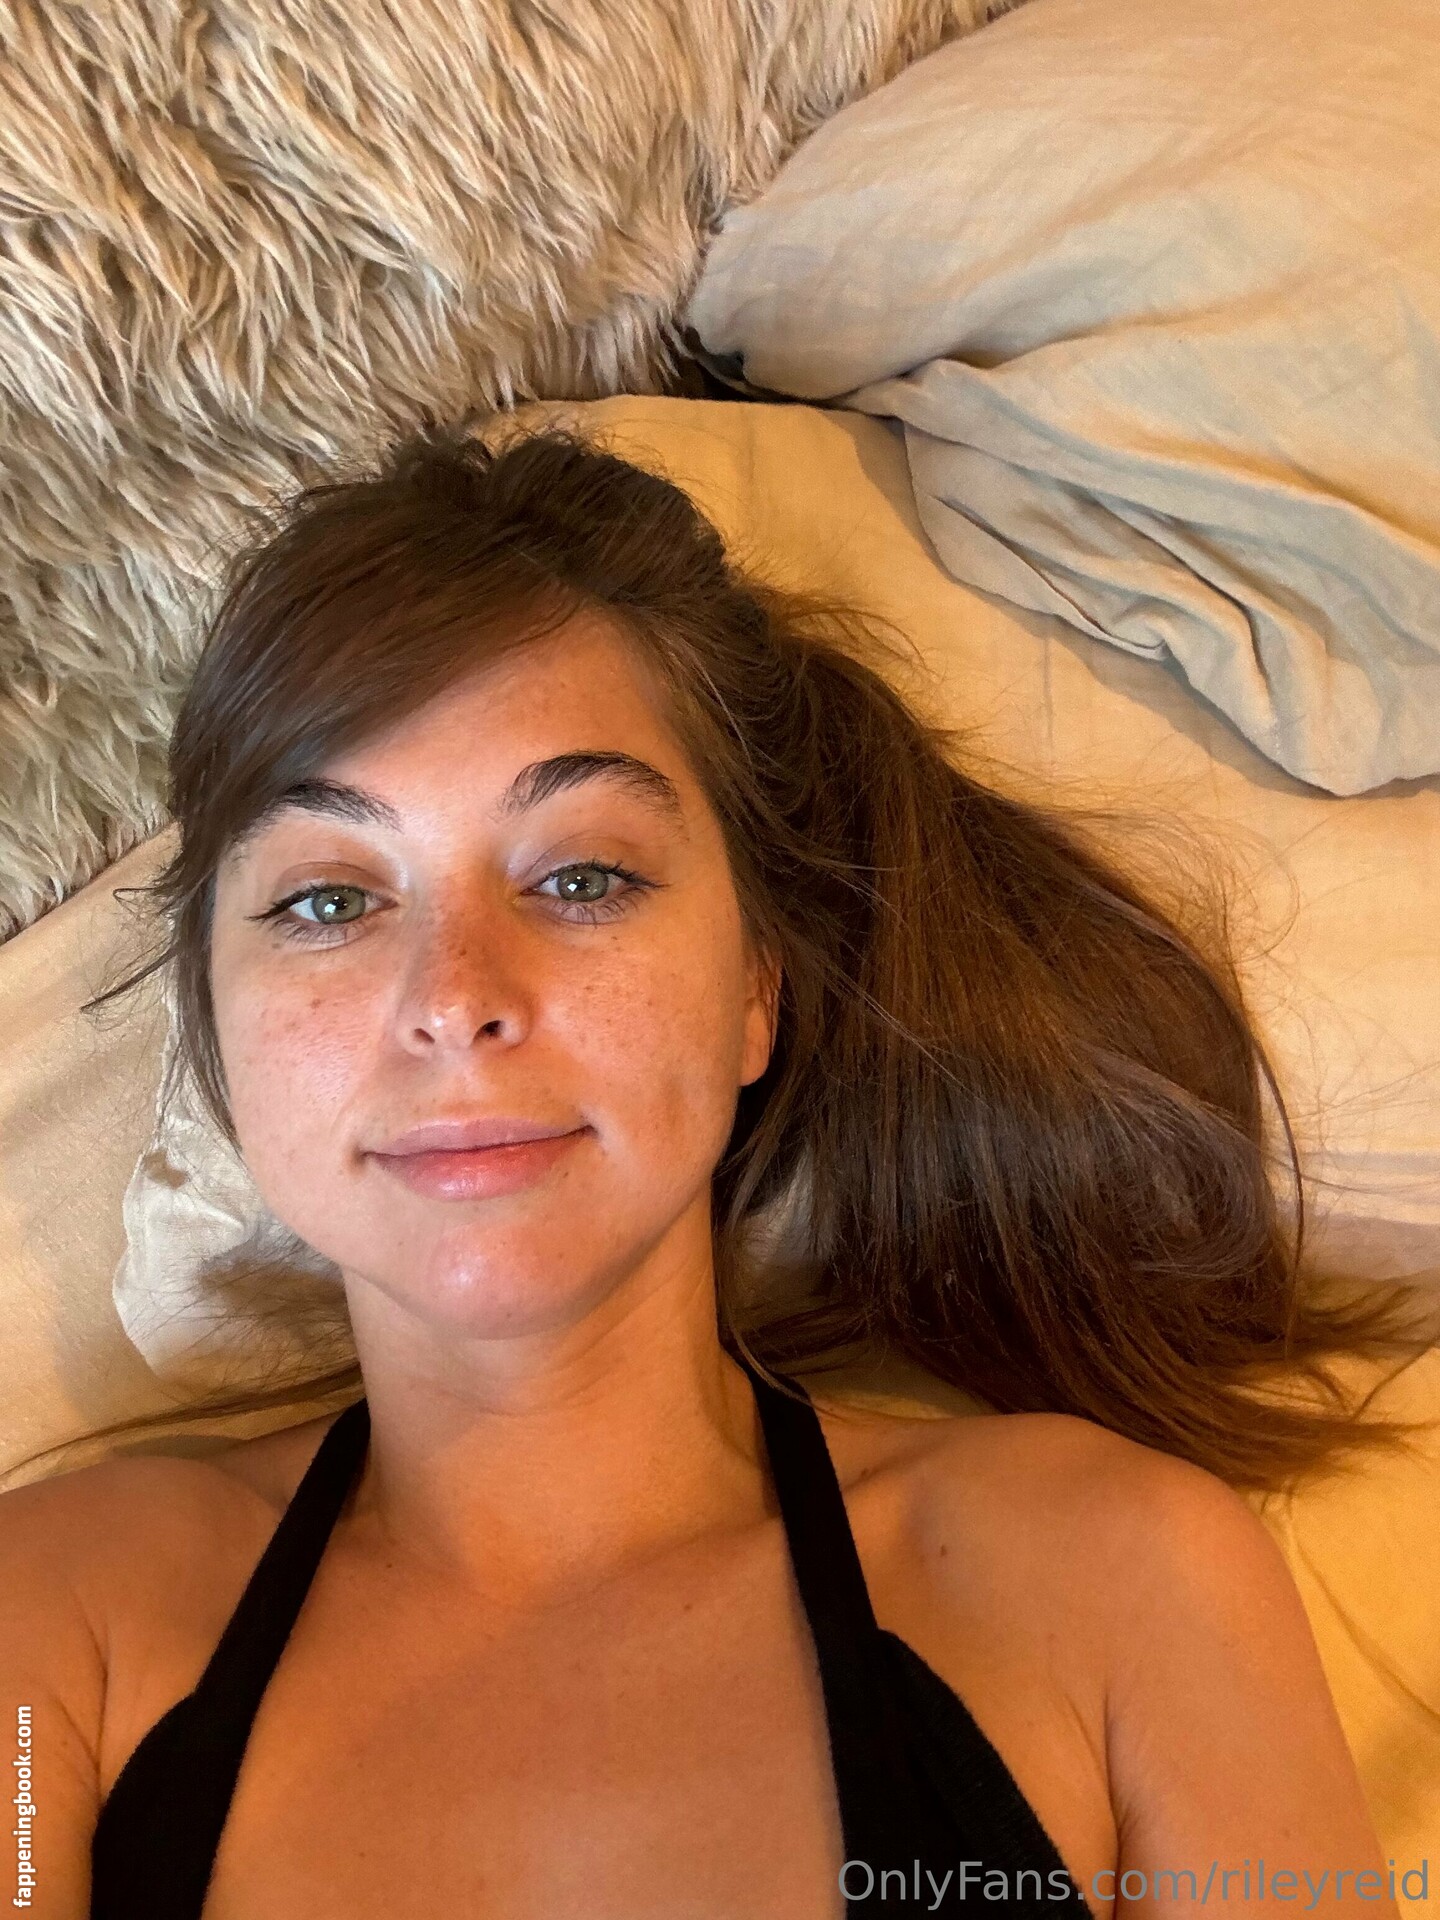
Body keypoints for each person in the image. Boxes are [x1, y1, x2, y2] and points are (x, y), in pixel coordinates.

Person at [1, 423, 1423, 1920]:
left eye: (580, 877)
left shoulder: (1119, 1584)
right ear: (217, 1027)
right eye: (329, 900)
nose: (454, 997)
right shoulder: (52, 1629)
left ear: (758, 984)